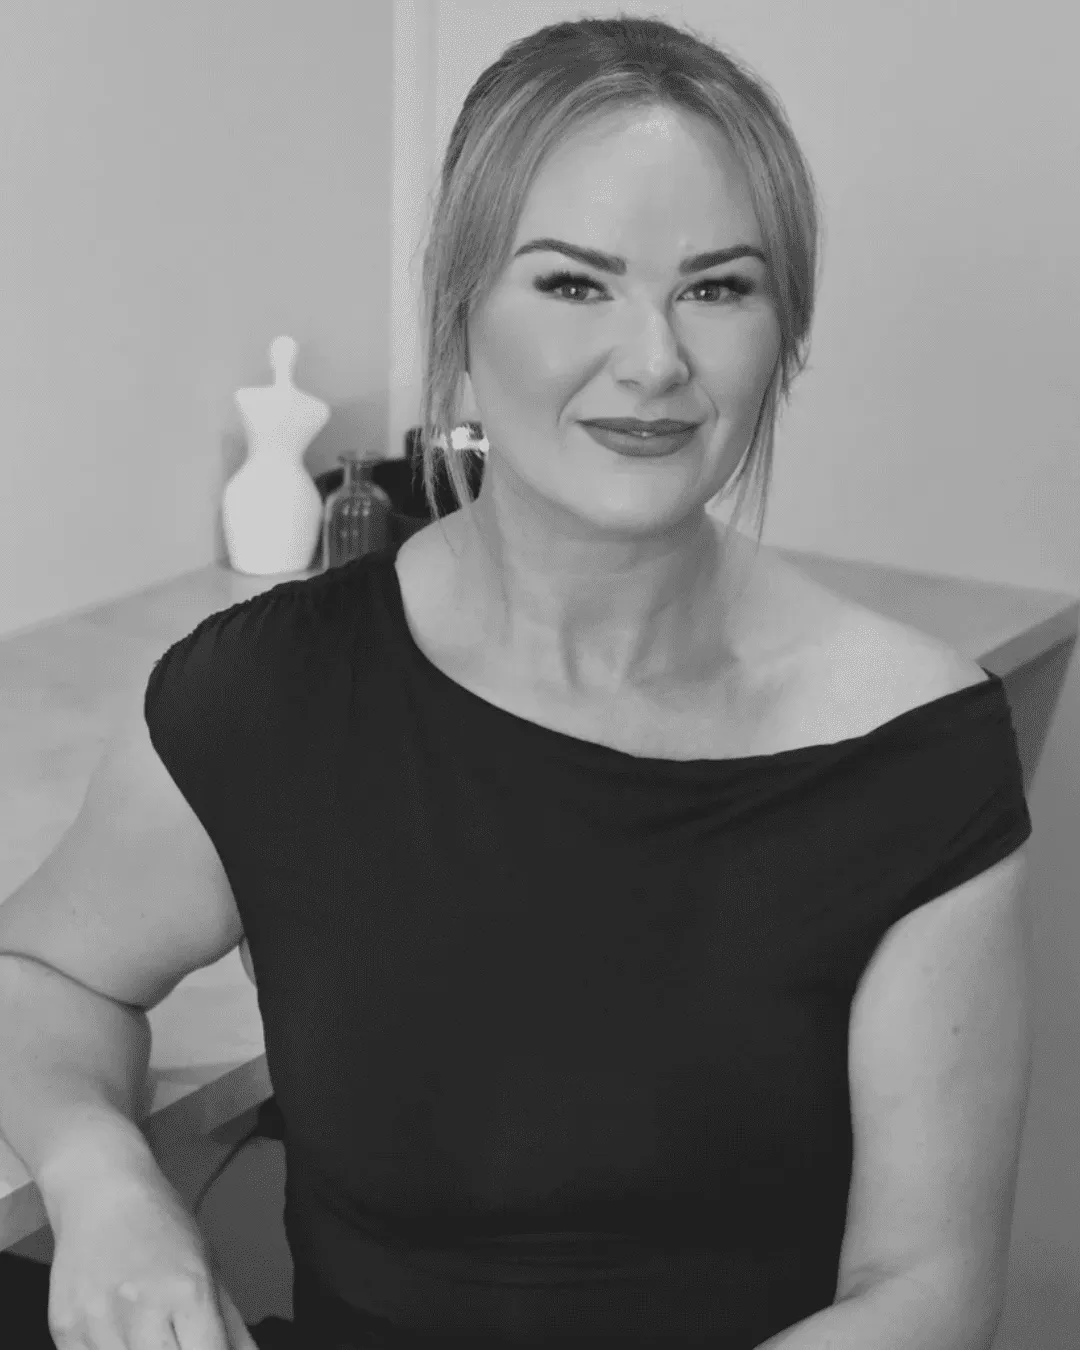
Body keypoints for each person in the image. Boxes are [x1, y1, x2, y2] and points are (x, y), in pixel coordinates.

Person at [0, 14, 1033, 1349]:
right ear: (460, 309)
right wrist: (103, 1181)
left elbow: (929, 1293)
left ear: (786, 329)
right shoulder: (268, 700)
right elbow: (43, 972)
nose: (654, 360)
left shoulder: (915, 750)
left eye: (720, 287)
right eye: (574, 284)